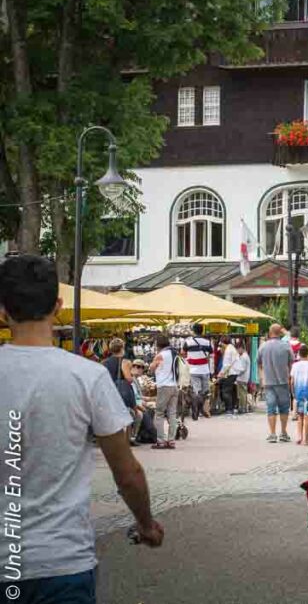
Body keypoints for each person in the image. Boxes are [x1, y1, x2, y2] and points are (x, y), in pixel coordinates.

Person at [0, 255, 162, 603]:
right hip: (62, 562)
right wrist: (146, 524)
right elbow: (127, 473)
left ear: (2, 311)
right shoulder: (88, 376)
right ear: (58, 306)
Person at [258, 323, 293, 443]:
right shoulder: (286, 346)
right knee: (284, 408)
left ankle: (272, 434)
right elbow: (291, 362)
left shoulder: (263, 346)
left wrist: (262, 376)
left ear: (270, 332)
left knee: (271, 408)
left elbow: (258, 362)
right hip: (283, 381)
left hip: (268, 382)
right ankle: (283, 432)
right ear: (280, 332)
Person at [149, 334, 179, 449]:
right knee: (172, 413)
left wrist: (152, 364)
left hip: (164, 386)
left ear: (158, 345)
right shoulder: (174, 353)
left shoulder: (160, 355)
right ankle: (171, 440)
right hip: (174, 386)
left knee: (159, 413)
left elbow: (152, 368)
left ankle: (160, 440)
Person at [289, 344, 308, 445]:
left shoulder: (295, 366)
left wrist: (293, 393)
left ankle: (299, 437)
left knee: (300, 416)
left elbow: (292, 381)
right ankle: (305, 439)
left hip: (298, 394)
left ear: (299, 354)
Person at [183, 324, 213, 421]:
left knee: (197, 391)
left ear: (193, 331)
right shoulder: (207, 342)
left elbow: (183, 353)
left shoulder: (188, 342)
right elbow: (210, 355)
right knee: (205, 392)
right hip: (204, 369)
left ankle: (195, 409)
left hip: (193, 369)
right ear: (202, 331)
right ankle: (201, 410)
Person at [216, 336, 242, 415]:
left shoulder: (228, 350)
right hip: (234, 372)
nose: (221, 345)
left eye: (221, 343)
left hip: (231, 372)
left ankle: (229, 409)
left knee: (226, 391)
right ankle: (231, 407)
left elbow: (226, 365)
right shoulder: (232, 348)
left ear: (223, 343)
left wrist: (220, 374)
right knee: (230, 390)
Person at [233, 338, 252, 414]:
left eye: (237, 349)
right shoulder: (244, 356)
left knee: (242, 394)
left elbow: (242, 369)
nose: (237, 351)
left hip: (242, 378)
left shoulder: (244, 357)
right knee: (242, 393)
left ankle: (243, 408)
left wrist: (236, 373)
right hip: (243, 378)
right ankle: (242, 407)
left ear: (241, 348)